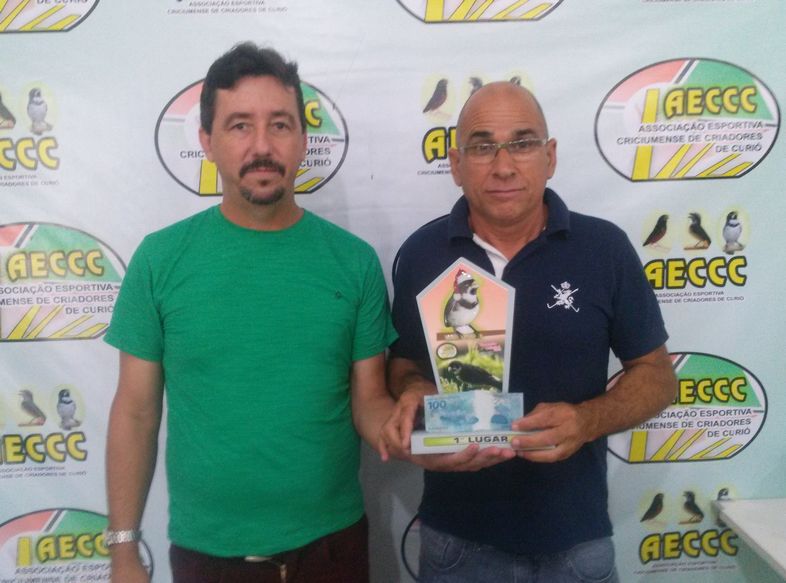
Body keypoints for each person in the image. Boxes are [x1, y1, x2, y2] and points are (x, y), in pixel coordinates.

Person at [104, 42, 397, 583]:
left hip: (333, 552)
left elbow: (370, 402)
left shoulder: (354, 263)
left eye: (280, 125)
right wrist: (123, 550)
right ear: (206, 141)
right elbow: (136, 412)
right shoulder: (160, 261)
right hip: (208, 557)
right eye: (240, 126)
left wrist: (421, 437)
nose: (262, 146)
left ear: (303, 140)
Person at [382, 82, 677, 582]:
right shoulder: (422, 254)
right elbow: (404, 364)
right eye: (482, 147)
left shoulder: (604, 249)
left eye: (522, 143)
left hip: (576, 542)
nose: (503, 166)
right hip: (457, 542)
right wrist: (412, 389)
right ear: (456, 164)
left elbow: (657, 376)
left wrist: (587, 420)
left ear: (550, 156)